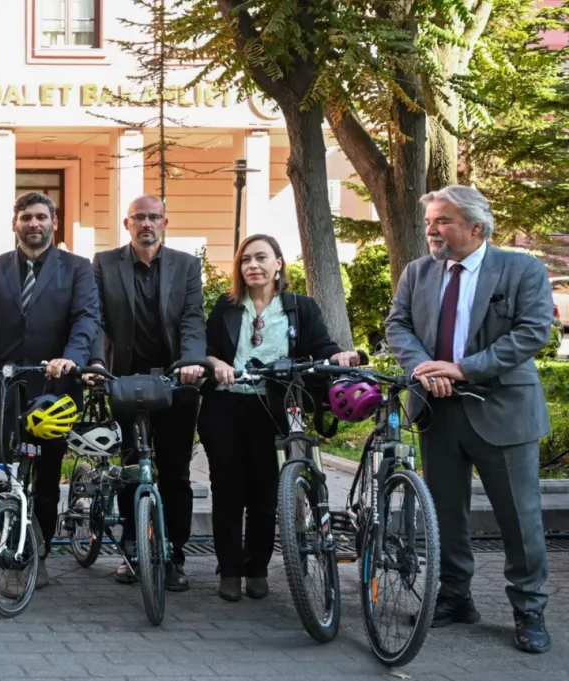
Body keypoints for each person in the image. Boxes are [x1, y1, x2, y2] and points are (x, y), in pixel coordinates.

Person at [385, 185, 553, 653]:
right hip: (437, 411)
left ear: (477, 227)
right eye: (429, 222)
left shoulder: (521, 270)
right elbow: (398, 325)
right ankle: (455, 598)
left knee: (519, 516)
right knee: (444, 513)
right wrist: (423, 367)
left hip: (503, 410)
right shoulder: (418, 272)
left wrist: (463, 369)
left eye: (443, 221)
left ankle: (529, 609)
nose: (432, 230)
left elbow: (533, 332)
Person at [201, 234, 359, 602]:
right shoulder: (226, 306)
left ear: (278, 264)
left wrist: (340, 356)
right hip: (225, 408)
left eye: (261, 258)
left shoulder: (301, 308)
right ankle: (229, 570)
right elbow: (205, 349)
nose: (252, 265)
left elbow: (323, 347)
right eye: (245, 260)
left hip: (273, 409)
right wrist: (217, 363)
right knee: (227, 492)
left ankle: (257, 568)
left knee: (265, 494)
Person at [0, 192, 100, 589]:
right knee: (8, 477)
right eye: (25, 217)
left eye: (40, 217)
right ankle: (12, 554)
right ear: (14, 223)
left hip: (55, 390)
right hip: (6, 389)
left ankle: (39, 553)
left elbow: (86, 319)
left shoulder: (77, 268)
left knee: (48, 481)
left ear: (54, 222)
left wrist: (71, 358)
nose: (33, 224)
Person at [89, 194, 207, 591]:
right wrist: (97, 363)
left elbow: (192, 318)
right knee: (129, 470)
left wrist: (192, 362)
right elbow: (96, 320)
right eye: (139, 217)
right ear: (127, 224)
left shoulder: (186, 265)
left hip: (175, 383)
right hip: (125, 381)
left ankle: (174, 555)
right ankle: (132, 550)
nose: (146, 224)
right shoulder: (105, 263)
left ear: (164, 223)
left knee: (175, 474)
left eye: (154, 217)